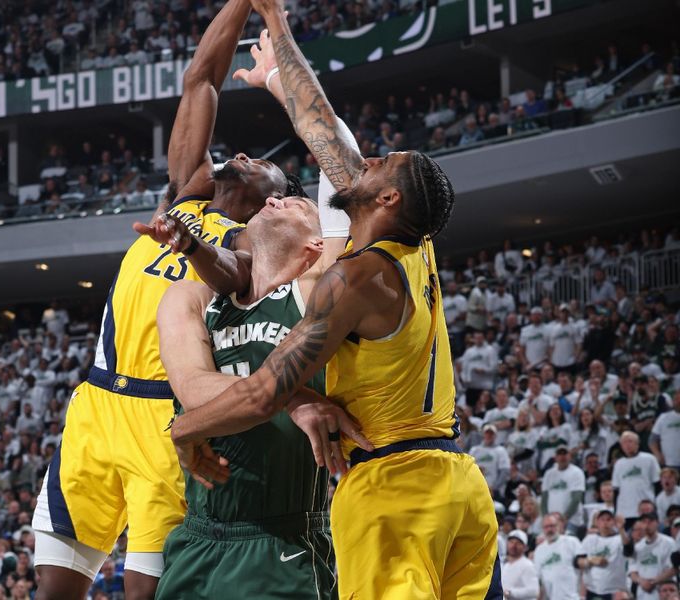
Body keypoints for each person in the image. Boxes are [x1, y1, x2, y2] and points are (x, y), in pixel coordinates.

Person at [164, 2, 501, 597]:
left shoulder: (354, 279)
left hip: (394, 492)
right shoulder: (411, 249)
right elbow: (322, 126)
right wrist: (276, 30)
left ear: (388, 200)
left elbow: (260, 393)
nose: (363, 163)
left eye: (379, 166)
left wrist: (182, 431)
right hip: (459, 486)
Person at [31, 2, 302, 598]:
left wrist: (192, 246)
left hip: (168, 417)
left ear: (275, 200)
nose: (246, 157)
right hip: (97, 404)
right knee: (52, 588)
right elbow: (200, 80)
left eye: (264, 165)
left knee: (146, 591)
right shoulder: (185, 198)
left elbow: (231, 275)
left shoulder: (254, 247)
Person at [152, 196, 363, 598]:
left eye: (297, 204)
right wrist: (291, 397)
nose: (272, 200)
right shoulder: (191, 298)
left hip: (282, 540)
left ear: (316, 246)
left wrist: (312, 130)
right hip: (196, 538)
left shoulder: (314, 294)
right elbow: (193, 388)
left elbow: (346, 196)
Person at [612, 431, 661, 529]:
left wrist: (655, 506)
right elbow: (616, 489)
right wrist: (616, 511)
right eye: (624, 443)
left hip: (646, 509)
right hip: (625, 511)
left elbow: (657, 483)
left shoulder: (649, 459)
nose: (627, 445)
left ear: (637, 443)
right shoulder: (619, 464)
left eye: (630, 441)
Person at [576, 508, 627, 600]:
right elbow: (577, 562)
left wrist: (622, 530)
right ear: (597, 522)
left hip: (614, 590)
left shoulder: (619, 539)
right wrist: (591, 561)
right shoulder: (589, 539)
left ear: (613, 522)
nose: (605, 523)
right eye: (602, 520)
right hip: (592, 589)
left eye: (608, 520)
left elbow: (629, 550)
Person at [532, 513, 582, 600]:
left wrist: (583, 595)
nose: (549, 529)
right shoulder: (539, 550)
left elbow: (584, 570)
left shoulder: (572, 542)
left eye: (552, 526)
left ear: (558, 526)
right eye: (546, 527)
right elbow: (539, 580)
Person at [628, 512, 676, 600]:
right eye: (644, 522)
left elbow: (674, 569)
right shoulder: (637, 546)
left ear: (657, 523)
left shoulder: (669, 542)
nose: (647, 525)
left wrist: (653, 582)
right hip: (643, 593)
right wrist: (641, 581)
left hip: (665, 592)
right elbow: (632, 572)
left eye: (650, 522)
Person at [540, 446, 586, 535]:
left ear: (570, 456)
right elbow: (544, 498)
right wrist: (546, 518)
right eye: (559, 454)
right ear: (555, 457)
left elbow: (576, 498)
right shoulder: (549, 474)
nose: (562, 457)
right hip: (552, 521)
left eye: (564, 454)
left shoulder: (576, 472)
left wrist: (564, 518)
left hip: (571, 520)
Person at [501, 530, 539, 600]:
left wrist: (510, 593)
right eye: (511, 542)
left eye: (518, 543)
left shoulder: (527, 565)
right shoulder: (505, 565)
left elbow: (534, 591)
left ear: (525, 547)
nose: (513, 546)